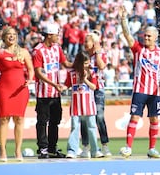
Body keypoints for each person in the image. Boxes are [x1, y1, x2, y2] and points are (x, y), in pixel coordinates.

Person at [118, 6, 160, 158]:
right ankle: (128, 147)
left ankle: (152, 148)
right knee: (135, 117)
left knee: (154, 118)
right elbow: (127, 35)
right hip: (140, 90)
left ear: (155, 37)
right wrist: (123, 19)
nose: (146, 38)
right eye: (145, 36)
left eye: (149, 36)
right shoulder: (138, 49)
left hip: (155, 92)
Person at [0, 26, 34, 162]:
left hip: (20, 90)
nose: (11, 36)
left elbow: (31, 69)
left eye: (14, 34)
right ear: (4, 37)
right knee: (4, 119)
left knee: (19, 119)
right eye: (8, 34)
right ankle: (3, 151)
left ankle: (17, 151)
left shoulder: (24, 52)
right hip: (4, 89)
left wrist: (29, 79)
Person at [32, 23, 72, 159]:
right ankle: (42, 148)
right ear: (49, 35)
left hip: (56, 92)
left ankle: (52, 148)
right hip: (44, 93)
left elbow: (66, 64)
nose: (58, 37)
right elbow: (38, 72)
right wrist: (53, 84)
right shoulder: (38, 50)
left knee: (55, 120)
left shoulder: (57, 48)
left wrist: (79, 63)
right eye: (56, 35)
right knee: (42, 121)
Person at [65, 52, 104, 159]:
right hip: (76, 104)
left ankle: (95, 150)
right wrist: (61, 87)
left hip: (89, 104)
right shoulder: (72, 73)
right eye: (85, 63)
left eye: (88, 63)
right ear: (79, 63)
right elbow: (67, 84)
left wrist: (85, 79)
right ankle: (72, 150)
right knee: (74, 127)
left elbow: (94, 87)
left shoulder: (92, 72)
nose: (87, 65)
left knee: (92, 126)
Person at [80, 31, 112, 157]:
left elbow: (102, 66)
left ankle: (104, 145)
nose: (84, 44)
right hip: (85, 90)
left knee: (99, 116)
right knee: (84, 118)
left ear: (94, 43)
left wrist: (97, 53)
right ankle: (86, 147)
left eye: (87, 41)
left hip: (98, 89)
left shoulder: (102, 53)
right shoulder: (83, 56)